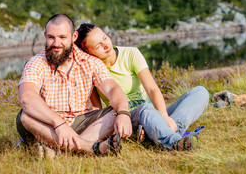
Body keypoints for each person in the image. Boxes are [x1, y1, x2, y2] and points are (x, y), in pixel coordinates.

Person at [75, 23, 210, 151]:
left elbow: (152, 89)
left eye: (105, 37)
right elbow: (97, 110)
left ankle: (160, 132)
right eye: (98, 45)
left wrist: (164, 116)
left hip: (153, 113)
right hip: (128, 118)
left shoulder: (131, 54)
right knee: (145, 109)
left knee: (200, 92)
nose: (106, 45)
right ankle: (174, 143)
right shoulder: (91, 70)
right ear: (88, 52)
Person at [16, 14, 132, 157]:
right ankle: (91, 148)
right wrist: (59, 123)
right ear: (45, 35)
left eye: (63, 37)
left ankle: (62, 153)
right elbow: (26, 97)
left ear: (74, 36)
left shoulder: (91, 62)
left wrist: (123, 112)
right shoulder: (36, 63)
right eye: (51, 37)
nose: (56, 43)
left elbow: (112, 89)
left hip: (83, 123)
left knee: (115, 112)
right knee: (25, 116)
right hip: (48, 126)